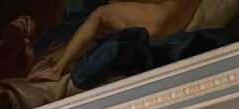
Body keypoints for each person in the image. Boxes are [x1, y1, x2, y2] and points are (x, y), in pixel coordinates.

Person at [30, 0, 205, 82]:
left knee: (100, 14)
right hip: (174, 21)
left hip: (158, 19)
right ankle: (67, 56)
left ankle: (56, 70)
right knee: (105, 23)